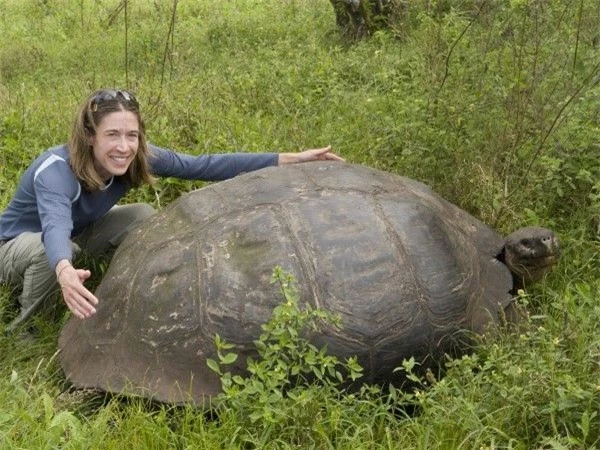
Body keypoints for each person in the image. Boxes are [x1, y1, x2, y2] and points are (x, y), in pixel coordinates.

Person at [0, 88, 343, 332]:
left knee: (142, 217)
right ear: (90, 136)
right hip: (18, 245)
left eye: (132, 135)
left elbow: (206, 166)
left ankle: (126, 292)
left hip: (74, 234)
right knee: (58, 249)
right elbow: (55, 226)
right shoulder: (56, 170)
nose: (123, 147)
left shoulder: (135, 156)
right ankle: (28, 326)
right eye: (112, 135)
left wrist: (287, 160)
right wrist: (63, 269)